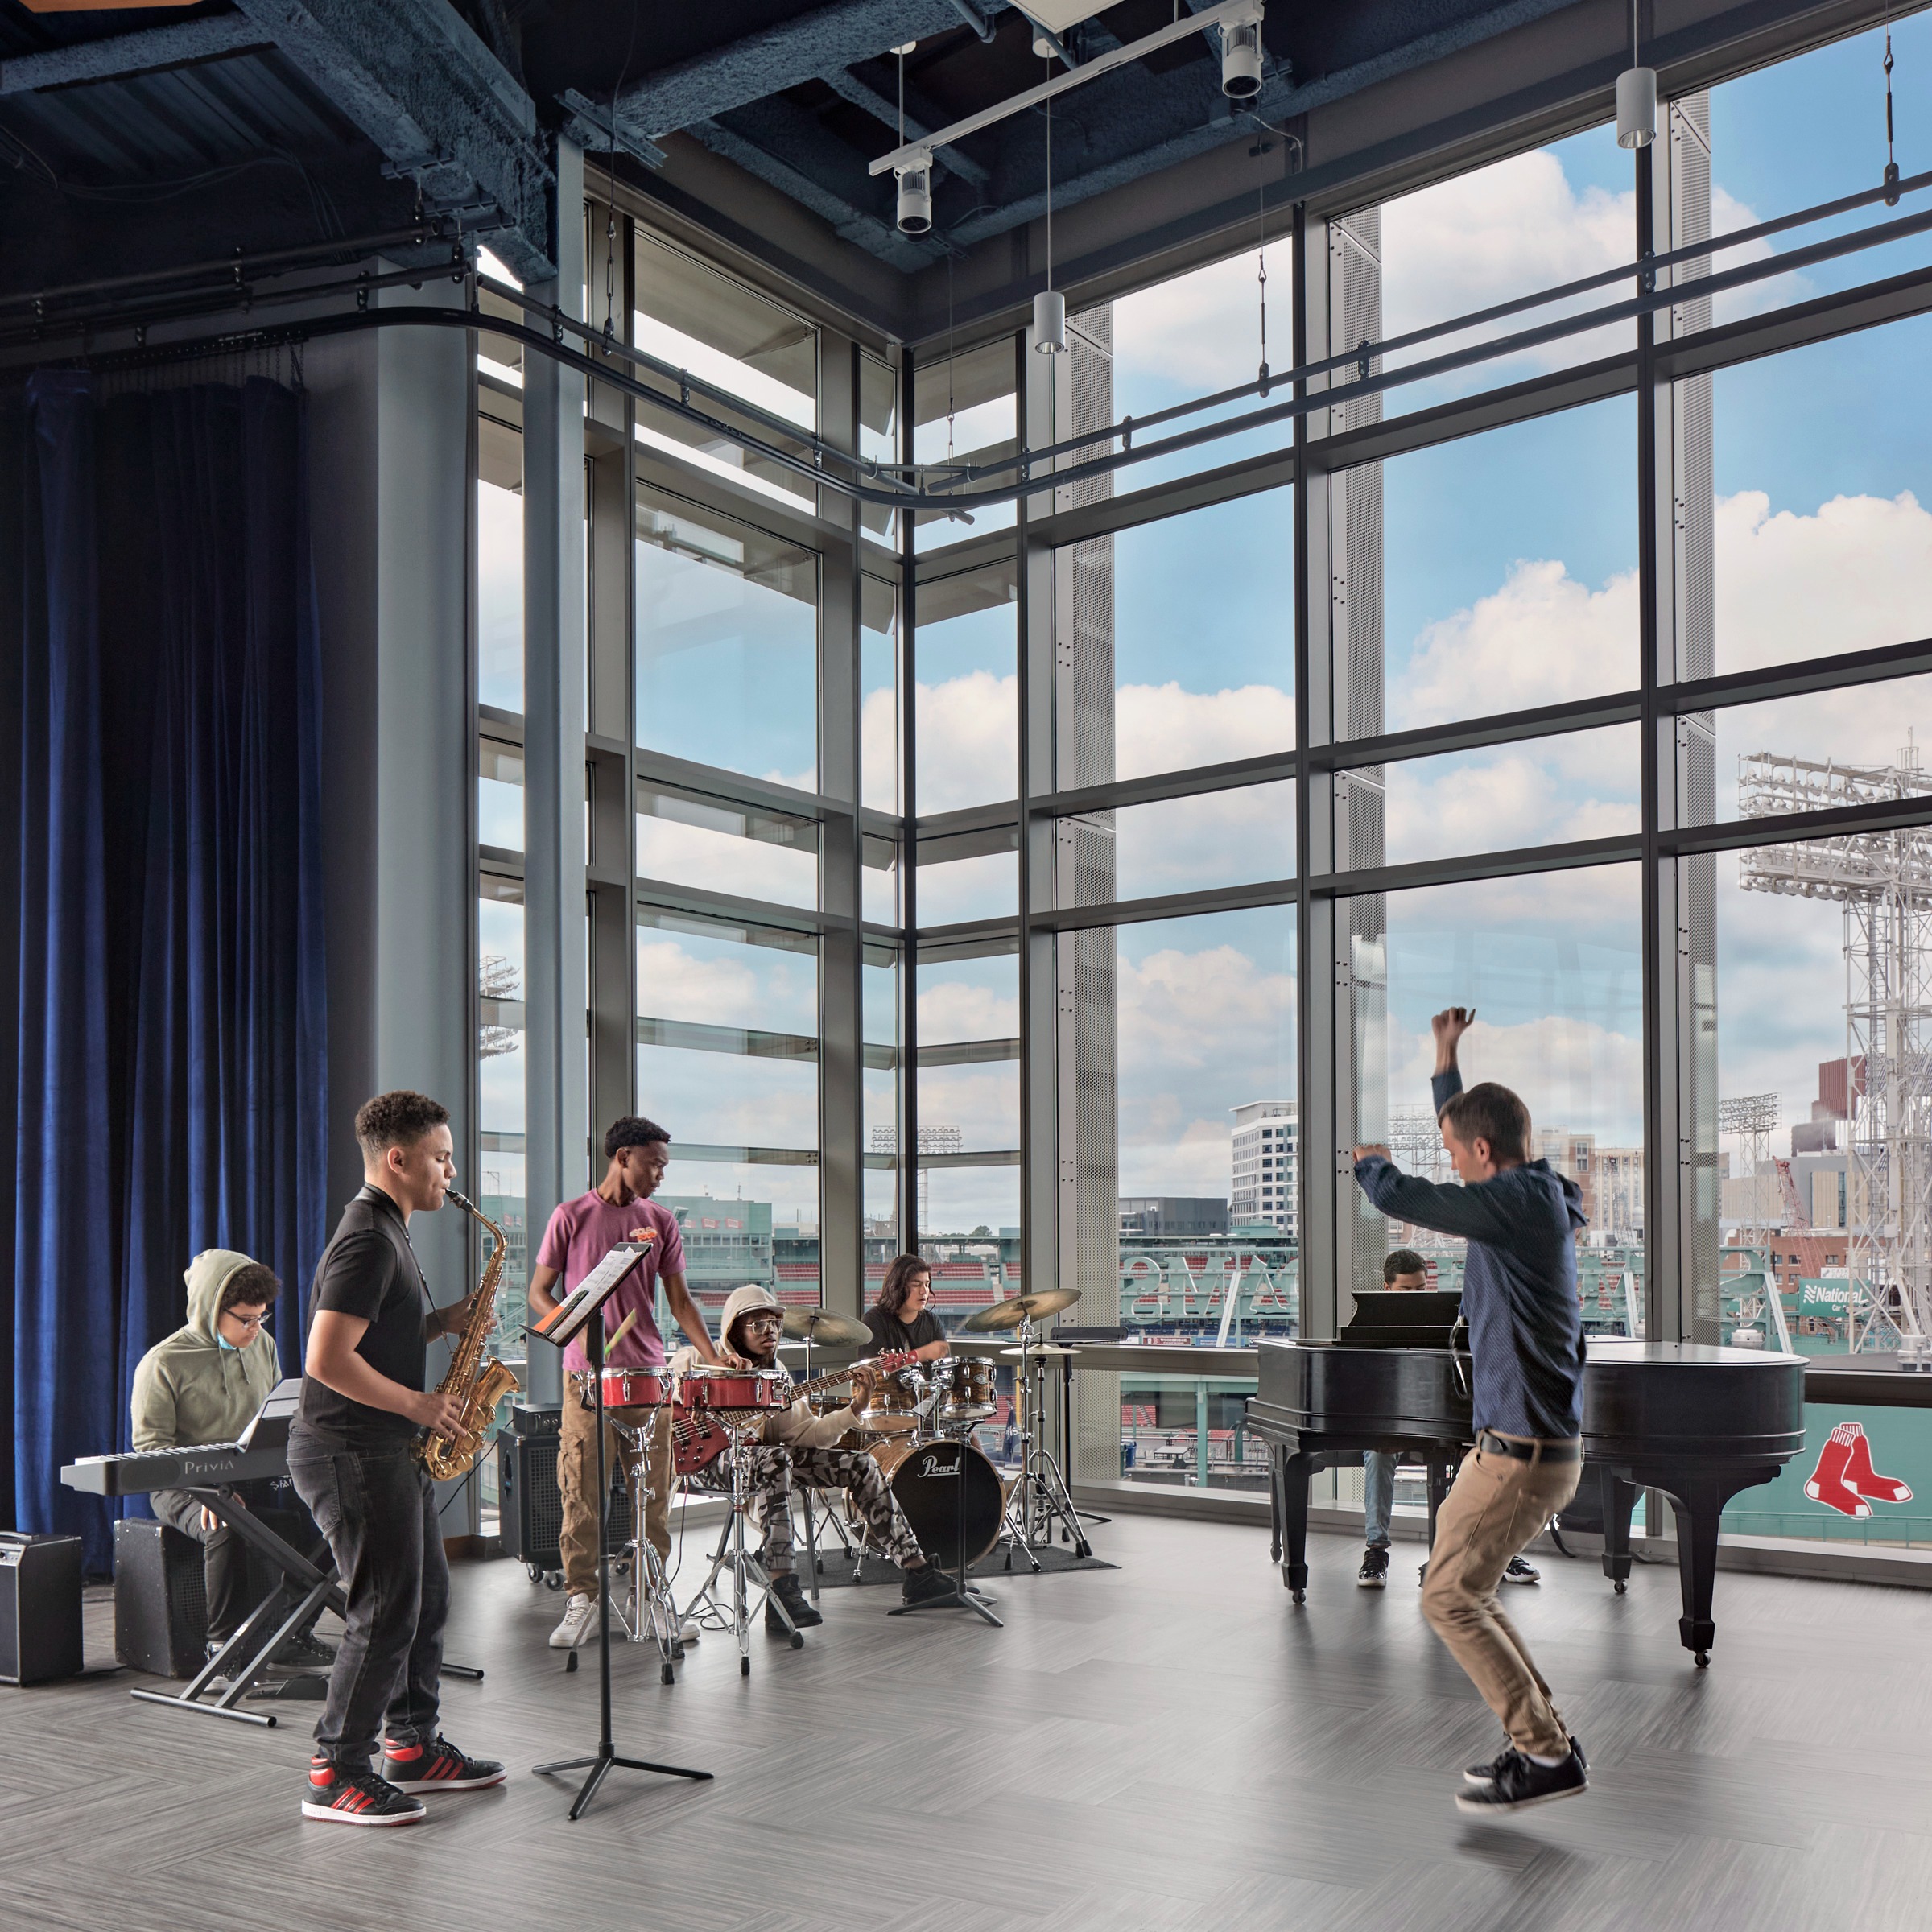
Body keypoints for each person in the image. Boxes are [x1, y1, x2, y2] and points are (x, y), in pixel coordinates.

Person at [1352, 1008, 1589, 1814]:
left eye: (1458, 1154)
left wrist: (1372, 1170)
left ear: (1484, 1154)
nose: (1452, 1166)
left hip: (1517, 1455)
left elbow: (1413, 1196)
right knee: (1469, 1592)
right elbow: (1470, 1136)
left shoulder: (1516, 1205)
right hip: (1525, 1449)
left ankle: (1545, 1752)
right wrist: (1446, 1062)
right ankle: (1544, 1739)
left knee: (1448, 1597)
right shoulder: (1531, 1194)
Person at [288, 1091, 506, 1828]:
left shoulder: (389, 1230)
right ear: (399, 1159)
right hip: (349, 1449)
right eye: (442, 1158)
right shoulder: (369, 1238)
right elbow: (324, 1359)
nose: (451, 1171)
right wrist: (419, 1406)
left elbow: (382, 1328)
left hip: (383, 1448)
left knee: (427, 1597)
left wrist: (450, 1320)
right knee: (382, 1610)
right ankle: (335, 1771)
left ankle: (410, 1747)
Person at [529, 1116, 732, 1651]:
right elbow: (539, 1294)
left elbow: (681, 1302)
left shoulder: (660, 1220)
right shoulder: (570, 1216)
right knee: (581, 1494)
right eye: (654, 1163)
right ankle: (581, 1601)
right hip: (585, 1380)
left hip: (648, 1379)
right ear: (621, 1156)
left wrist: (712, 1358)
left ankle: (650, 1597)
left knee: (653, 1497)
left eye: (665, 1165)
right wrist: (575, 1333)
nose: (661, 1174)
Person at [677, 1284, 953, 1625]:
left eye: (775, 1325)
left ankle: (919, 1574)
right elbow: (658, 1404)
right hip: (701, 1460)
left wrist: (857, 1406)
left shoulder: (776, 1375)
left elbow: (808, 1436)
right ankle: (784, 1593)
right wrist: (691, 1408)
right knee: (775, 1458)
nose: (771, 1333)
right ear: (734, 1328)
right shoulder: (698, 1359)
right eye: (759, 1325)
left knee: (862, 1464)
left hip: (761, 1461)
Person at [131, 1250, 334, 1674]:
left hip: (249, 1475)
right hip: (182, 1487)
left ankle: (293, 1632)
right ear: (211, 1310)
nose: (256, 1329)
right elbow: (151, 1450)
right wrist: (205, 1494)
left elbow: (275, 1416)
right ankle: (222, 1651)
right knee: (222, 1524)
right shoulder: (162, 1362)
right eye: (245, 1319)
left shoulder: (264, 1346)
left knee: (334, 1516)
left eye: (262, 1317)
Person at [1356, 1249, 1543, 1591]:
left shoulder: (1449, 1318)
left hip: (1442, 1419)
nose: (1415, 1297)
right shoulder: (1369, 1325)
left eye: (1420, 1289)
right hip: (1395, 1421)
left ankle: (1496, 1551)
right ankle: (1376, 1552)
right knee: (1378, 1455)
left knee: (1490, 1456)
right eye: (1406, 1291)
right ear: (1387, 1288)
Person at [862, 1253, 951, 1361]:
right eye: (916, 1285)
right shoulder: (874, 1320)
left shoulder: (933, 1321)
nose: (924, 1291)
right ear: (898, 1287)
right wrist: (920, 1355)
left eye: (927, 1285)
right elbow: (867, 1371)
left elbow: (945, 1370)